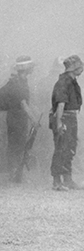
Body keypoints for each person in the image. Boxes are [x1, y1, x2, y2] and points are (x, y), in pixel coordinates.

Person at [0, 56, 37, 183]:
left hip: (17, 117)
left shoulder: (20, 81)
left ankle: (15, 173)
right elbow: (23, 104)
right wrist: (34, 119)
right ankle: (13, 173)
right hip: (17, 118)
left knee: (17, 144)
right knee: (17, 145)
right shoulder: (18, 83)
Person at [49, 55, 82, 191]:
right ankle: (57, 181)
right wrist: (59, 124)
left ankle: (68, 179)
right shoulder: (64, 82)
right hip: (63, 117)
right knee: (61, 149)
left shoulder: (72, 81)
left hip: (70, 117)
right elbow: (61, 105)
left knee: (70, 149)